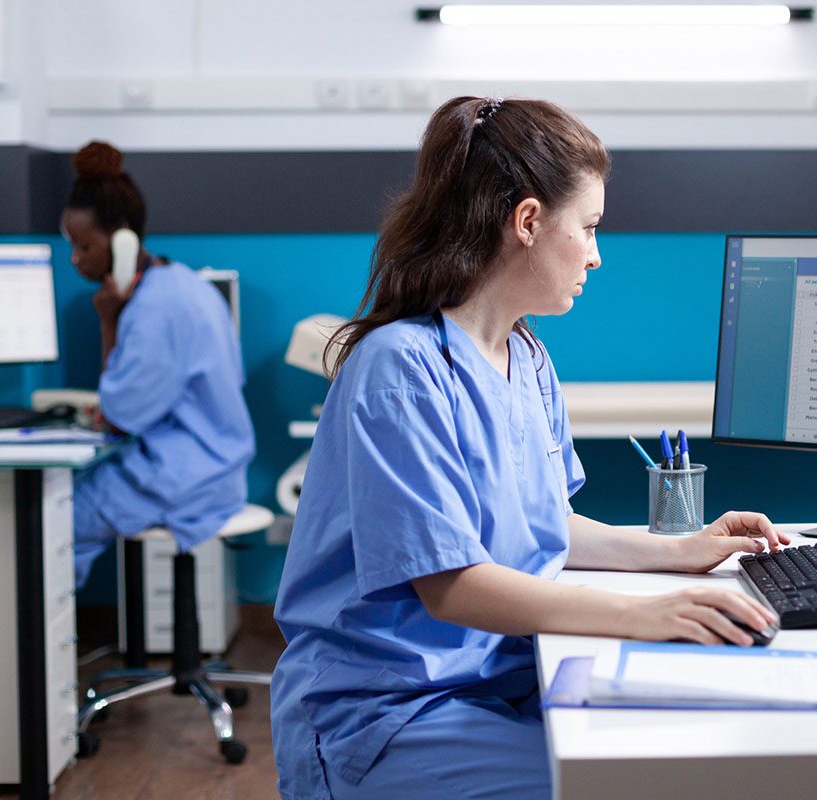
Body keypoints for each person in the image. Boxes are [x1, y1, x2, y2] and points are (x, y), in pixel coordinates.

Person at [271, 97, 788, 799]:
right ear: (527, 222)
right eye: (590, 228)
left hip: (495, 675)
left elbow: (539, 519)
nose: (597, 255)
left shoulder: (526, 356)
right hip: (388, 711)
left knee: (699, 737)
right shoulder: (400, 368)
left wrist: (678, 551)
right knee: (636, 781)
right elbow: (452, 584)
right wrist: (645, 616)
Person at [61, 140, 255, 588]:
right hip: (212, 464)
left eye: (83, 246)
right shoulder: (185, 284)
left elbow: (118, 417)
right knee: (65, 512)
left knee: (49, 519)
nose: (75, 259)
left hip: (188, 476)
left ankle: (33, 651)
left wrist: (108, 322)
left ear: (123, 241)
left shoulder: (154, 310)